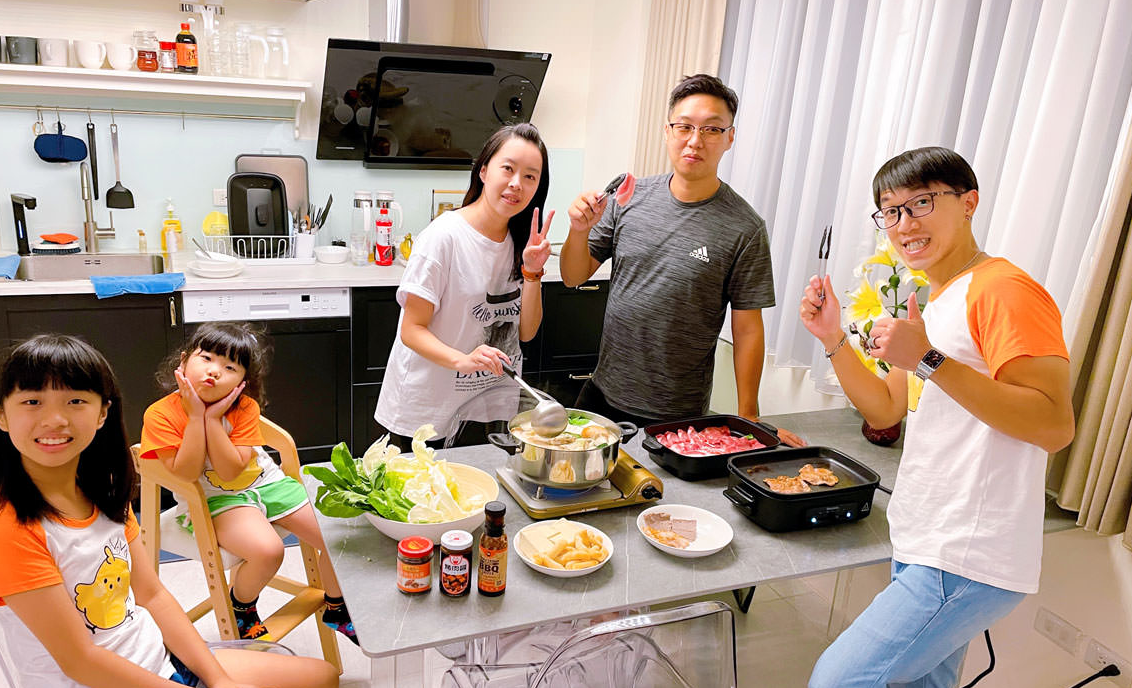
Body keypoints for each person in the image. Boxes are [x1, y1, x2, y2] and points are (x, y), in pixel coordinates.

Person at [0, 334, 338, 688]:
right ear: (0, 414)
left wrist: (220, 685)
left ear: (102, 413)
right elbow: (81, 662)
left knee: (321, 681)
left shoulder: (102, 493)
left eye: (75, 401)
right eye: (32, 401)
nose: (54, 420)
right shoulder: (7, 528)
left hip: (158, 670)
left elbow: (154, 595)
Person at [799, 147, 1075, 688]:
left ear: (967, 202)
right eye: (891, 212)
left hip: (966, 552)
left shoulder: (1004, 290)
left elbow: (1053, 424)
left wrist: (926, 358)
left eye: (921, 203)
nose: (905, 225)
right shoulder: (935, 298)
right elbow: (887, 407)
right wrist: (834, 338)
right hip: (926, 537)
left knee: (839, 686)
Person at [561, 73, 804, 444]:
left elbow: (747, 328)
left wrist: (749, 416)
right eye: (685, 126)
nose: (695, 140)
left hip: (678, 414)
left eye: (711, 129)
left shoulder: (745, 227)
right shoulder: (629, 198)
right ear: (667, 131)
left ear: (730, 138)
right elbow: (573, 276)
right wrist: (578, 231)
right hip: (602, 395)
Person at [140, 322, 357, 643]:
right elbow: (186, 473)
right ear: (183, 363)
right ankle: (242, 605)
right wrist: (198, 417)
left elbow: (231, 468)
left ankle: (336, 608)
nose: (214, 371)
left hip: (266, 483)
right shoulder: (161, 415)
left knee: (340, 536)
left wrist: (214, 419)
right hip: (213, 499)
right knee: (269, 552)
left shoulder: (243, 406)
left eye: (229, 367)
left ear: (243, 382)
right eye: (206, 358)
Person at [375, 122, 554, 446]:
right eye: (508, 168)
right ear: (484, 171)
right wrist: (464, 360)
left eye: (530, 176)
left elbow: (526, 333)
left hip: (486, 406)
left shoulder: (521, 243)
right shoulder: (443, 237)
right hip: (426, 411)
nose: (517, 183)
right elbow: (411, 330)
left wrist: (532, 272)